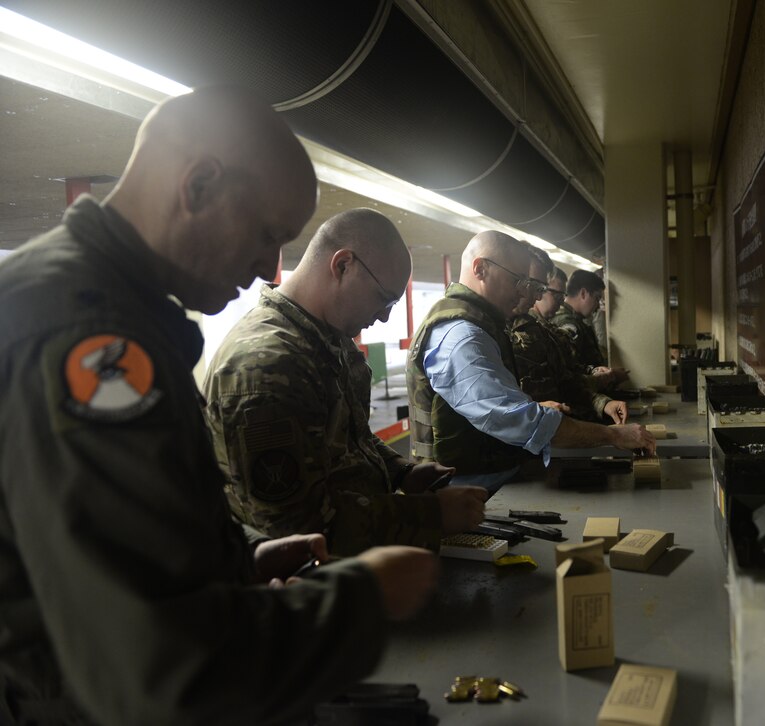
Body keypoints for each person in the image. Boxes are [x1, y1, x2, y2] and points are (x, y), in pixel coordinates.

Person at [0, 87, 437, 725]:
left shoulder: (102, 309)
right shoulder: (87, 342)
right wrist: (363, 598)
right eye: (265, 235)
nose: (268, 268)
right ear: (200, 183)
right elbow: (162, 669)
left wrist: (231, 563)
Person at [203, 208, 487, 556]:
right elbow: (293, 526)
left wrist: (399, 471)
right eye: (385, 298)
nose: (384, 316)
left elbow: (348, 437)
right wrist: (433, 514)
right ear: (342, 265)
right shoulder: (269, 366)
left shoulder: (329, 339)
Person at [406, 230, 655, 491]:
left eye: (529, 283)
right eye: (518, 281)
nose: (526, 293)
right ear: (480, 269)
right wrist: (612, 435)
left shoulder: (486, 326)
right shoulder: (462, 337)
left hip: (492, 479)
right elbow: (516, 418)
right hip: (467, 489)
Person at [509, 248, 626, 424]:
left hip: (554, 425)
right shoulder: (488, 330)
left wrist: (601, 402)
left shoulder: (537, 328)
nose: (537, 295)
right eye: (532, 285)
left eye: (539, 288)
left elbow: (565, 378)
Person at [553, 269, 629, 386]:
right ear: (583, 293)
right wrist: (611, 376)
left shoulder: (577, 321)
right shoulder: (568, 324)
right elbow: (572, 373)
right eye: (597, 298)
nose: (598, 305)